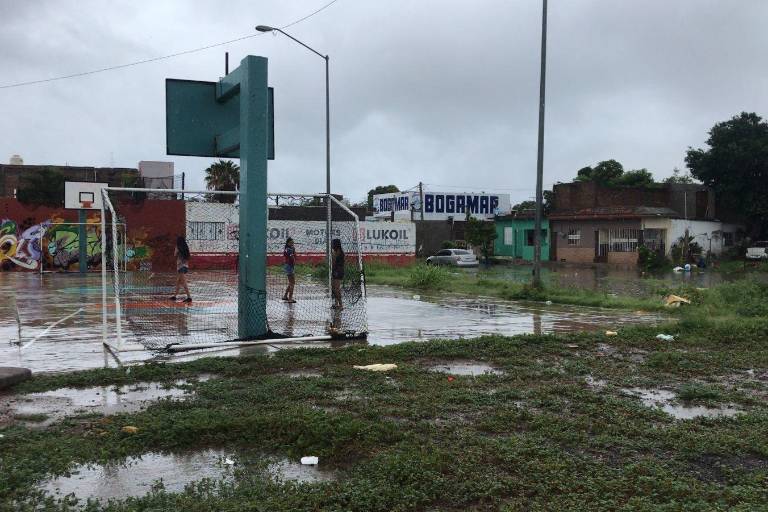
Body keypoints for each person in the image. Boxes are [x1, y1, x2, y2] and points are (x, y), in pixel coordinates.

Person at [170, 236, 192, 303]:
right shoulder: (186, 247)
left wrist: (176, 248)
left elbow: (174, 254)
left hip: (180, 267)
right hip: (185, 266)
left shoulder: (178, 247)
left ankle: (189, 297)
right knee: (178, 282)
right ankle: (174, 296)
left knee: (184, 282)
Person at [331, 238, 344, 309]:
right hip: (335, 271)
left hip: (338, 272)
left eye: (333, 244)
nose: (332, 245)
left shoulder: (338, 252)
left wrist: (333, 255)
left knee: (336, 289)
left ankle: (341, 305)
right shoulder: (336, 251)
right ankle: (336, 304)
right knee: (334, 288)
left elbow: (334, 262)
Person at [282, 237, 297, 303]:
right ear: (288, 243)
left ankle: (285, 296)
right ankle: (290, 298)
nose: (292, 244)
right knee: (292, 283)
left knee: (291, 282)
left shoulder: (288, 248)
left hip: (288, 266)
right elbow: (292, 258)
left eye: (293, 242)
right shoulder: (289, 249)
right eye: (291, 243)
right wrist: (294, 263)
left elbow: (294, 256)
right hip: (289, 266)